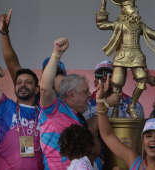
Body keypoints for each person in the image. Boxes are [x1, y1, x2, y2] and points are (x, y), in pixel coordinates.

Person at [96, 79, 155, 170]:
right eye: (149, 136)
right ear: (142, 141)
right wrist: (100, 103)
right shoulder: (134, 162)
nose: (153, 139)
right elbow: (108, 135)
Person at [39, 37, 93, 169]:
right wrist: (56, 54)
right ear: (71, 94)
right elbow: (45, 88)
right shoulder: (54, 109)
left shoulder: (79, 118)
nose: (90, 95)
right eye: (85, 91)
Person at [0, 65, 43, 169]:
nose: (23, 85)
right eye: (19, 82)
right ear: (15, 88)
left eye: (28, 82)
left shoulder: (44, 114)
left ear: (36, 90)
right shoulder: (5, 106)